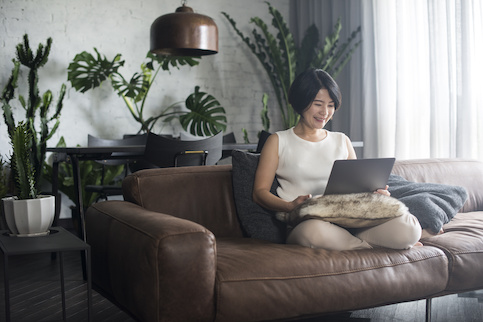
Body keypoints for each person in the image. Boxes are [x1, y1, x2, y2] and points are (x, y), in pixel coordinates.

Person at [253, 68, 422, 250]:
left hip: (349, 220)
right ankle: (376, 247)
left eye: (331, 105)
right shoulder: (279, 141)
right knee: (313, 233)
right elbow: (260, 192)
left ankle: (356, 246)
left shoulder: (342, 140)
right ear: (301, 102)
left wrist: (373, 193)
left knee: (409, 228)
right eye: (318, 104)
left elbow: (357, 187)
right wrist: (290, 206)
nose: (325, 112)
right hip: (307, 223)